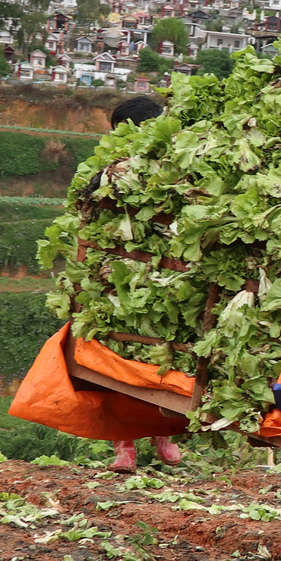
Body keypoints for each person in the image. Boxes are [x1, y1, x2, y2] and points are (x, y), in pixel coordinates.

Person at [106, 94, 183, 474]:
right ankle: (125, 447)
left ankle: (162, 435)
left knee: (164, 360)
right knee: (118, 360)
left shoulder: (179, 161)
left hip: (167, 272)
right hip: (121, 271)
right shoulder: (109, 167)